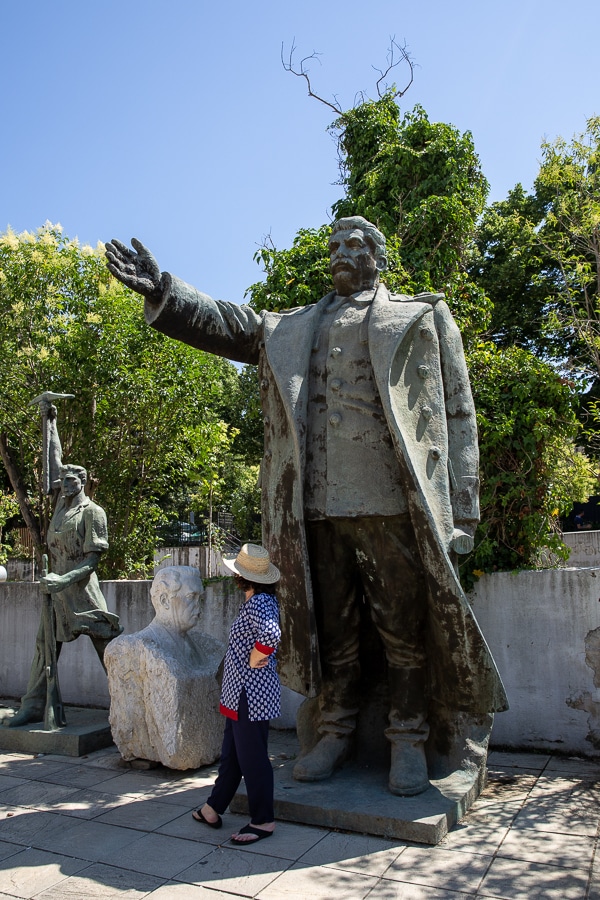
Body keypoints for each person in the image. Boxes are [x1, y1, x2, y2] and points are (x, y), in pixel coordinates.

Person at [105, 216, 507, 796]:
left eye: (355, 244)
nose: (341, 252)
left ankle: (409, 739)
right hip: (312, 508)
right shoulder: (292, 327)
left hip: (392, 501)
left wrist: (463, 511)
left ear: (377, 255)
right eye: (334, 245)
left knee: (403, 628)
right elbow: (229, 322)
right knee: (332, 630)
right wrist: (166, 290)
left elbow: (459, 412)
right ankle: (335, 733)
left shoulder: (420, 315)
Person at [5, 402, 122, 728]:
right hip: (56, 589)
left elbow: (92, 560)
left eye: (70, 481)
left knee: (107, 646)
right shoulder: (61, 503)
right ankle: (33, 705)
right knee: (44, 648)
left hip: (82, 589)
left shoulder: (92, 512)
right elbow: (52, 460)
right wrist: (51, 421)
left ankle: (130, 702)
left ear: (82, 482)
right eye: (63, 480)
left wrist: (63, 579)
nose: (64, 484)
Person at [192, 543, 281, 844]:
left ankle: (263, 821)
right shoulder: (256, 599)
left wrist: (258, 654)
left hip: (249, 695)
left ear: (242, 577)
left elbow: (271, 634)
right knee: (232, 755)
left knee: (252, 758)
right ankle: (212, 807)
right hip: (239, 694)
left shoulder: (259, 603)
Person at [105, 566, 225, 770]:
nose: (199, 606)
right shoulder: (137, 647)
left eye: (200, 598)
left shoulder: (206, 645)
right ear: (163, 600)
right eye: (191, 597)